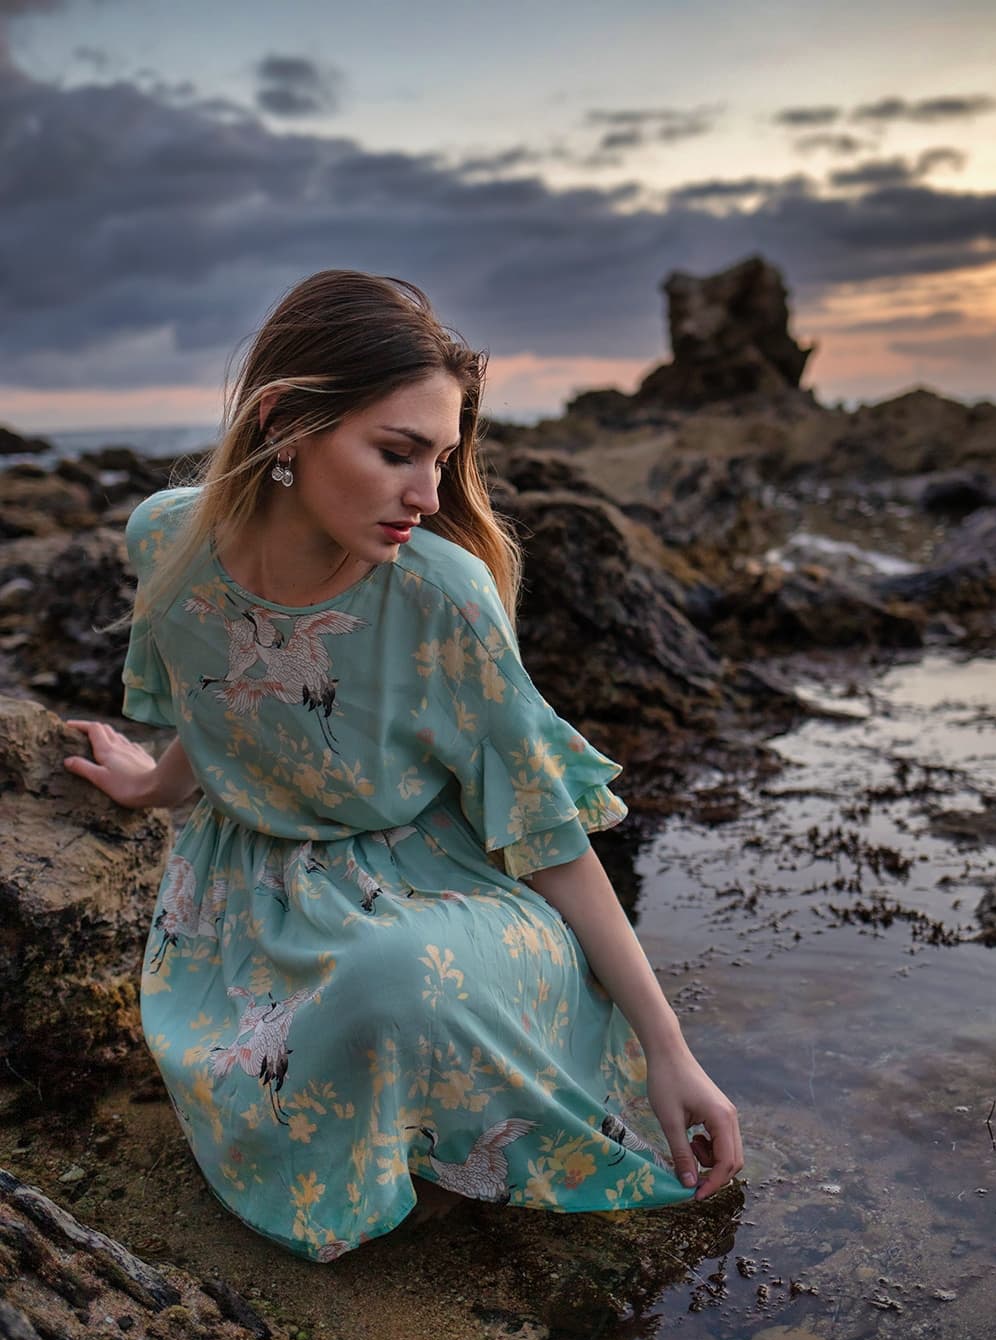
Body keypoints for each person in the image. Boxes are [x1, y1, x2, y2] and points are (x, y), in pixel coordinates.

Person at [64, 270, 742, 1262]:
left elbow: (546, 834)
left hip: (440, 892)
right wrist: (154, 784)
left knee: (389, 984)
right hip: (250, 884)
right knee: (323, 1020)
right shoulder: (170, 535)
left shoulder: (443, 593)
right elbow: (224, 708)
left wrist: (668, 1049)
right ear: (285, 422)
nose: (428, 495)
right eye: (396, 453)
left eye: (441, 457)